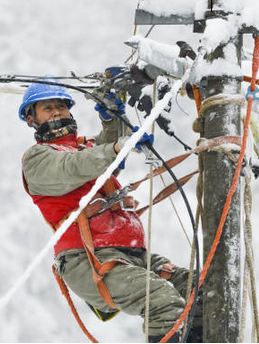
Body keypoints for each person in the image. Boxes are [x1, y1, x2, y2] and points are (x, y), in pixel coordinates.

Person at [20, 77, 202, 343]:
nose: (58, 111)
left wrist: (111, 119)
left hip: (130, 254)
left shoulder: (85, 148)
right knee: (160, 300)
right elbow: (77, 166)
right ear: (31, 119)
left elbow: (101, 155)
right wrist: (119, 146)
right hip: (87, 258)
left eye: (61, 105)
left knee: (200, 288)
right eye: (47, 108)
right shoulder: (38, 159)